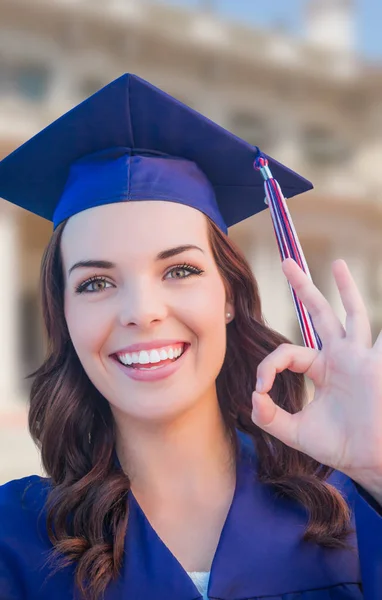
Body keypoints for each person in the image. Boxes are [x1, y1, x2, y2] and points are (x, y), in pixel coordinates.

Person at [0, 73, 381, 600]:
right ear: (63, 315)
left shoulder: (352, 510)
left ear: (229, 295)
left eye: (179, 270)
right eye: (96, 282)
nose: (142, 312)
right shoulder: (14, 541)